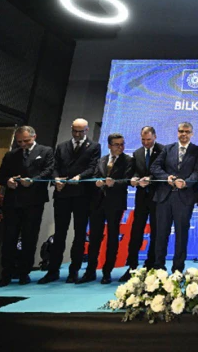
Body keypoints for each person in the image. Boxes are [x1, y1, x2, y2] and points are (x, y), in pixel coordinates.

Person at [39, 118, 101, 284]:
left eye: (80, 131)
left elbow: (93, 167)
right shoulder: (62, 146)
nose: (77, 134)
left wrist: (79, 177)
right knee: (59, 234)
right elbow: (54, 167)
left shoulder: (94, 146)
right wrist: (56, 180)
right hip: (62, 194)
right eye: (75, 131)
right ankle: (53, 270)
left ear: (87, 130)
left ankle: (74, 271)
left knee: (79, 235)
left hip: (82, 195)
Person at [0, 126, 54, 287]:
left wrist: (33, 180)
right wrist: (7, 181)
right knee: (9, 238)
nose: (23, 144)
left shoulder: (46, 151)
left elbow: (49, 170)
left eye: (26, 141)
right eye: (19, 142)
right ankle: (6, 273)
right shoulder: (11, 154)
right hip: (13, 201)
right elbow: (0, 175)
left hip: (34, 201)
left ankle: (24, 272)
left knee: (30, 237)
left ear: (34, 137)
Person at [79, 133, 133, 284]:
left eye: (122, 144)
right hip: (97, 203)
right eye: (117, 144)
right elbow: (95, 176)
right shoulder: (102, 160)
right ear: (109, 146)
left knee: (112, 237)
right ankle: (90, 270)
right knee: (94, 237)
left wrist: (114, 183)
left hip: (115, 203)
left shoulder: (128, 160)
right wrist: (96, 182)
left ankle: (107, 272)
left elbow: (128, 180)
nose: (120, 147)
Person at [151, 122, 198, 273]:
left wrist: (185, 183)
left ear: (192, 134)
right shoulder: (168, 149)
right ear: (177, 132)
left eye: (187, 131)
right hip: (164, 197)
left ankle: (177, 270)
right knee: (161, 234)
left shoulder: (197, 150)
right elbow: (155, 167)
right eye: (181, 131)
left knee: (181, 235)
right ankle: (158, 268)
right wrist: (167, 177)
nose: (184, 134)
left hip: (184, 198)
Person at [120, 126, 164, 282]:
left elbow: (163, 171)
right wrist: (134, 179)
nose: (146, 142)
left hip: (158, 198)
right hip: (141, 198)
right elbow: (134, 171)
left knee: (156, 232)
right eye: (143, 139)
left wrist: (150, 179)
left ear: (155, 137)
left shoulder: (163, 150)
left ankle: (151, 265)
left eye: (149, 140)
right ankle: (132, 266)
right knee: (136, 231)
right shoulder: (137, 153)